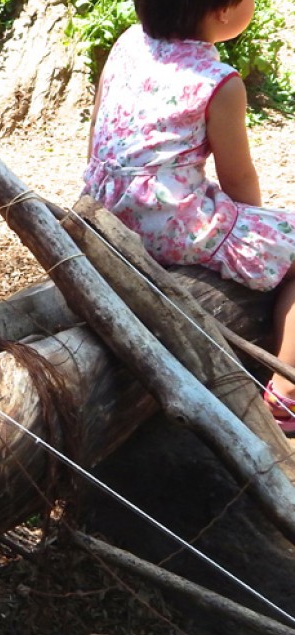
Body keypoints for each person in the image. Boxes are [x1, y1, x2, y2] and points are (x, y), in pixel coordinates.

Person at [81, 0, 295, 434]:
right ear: (223, 12)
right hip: (166, 222)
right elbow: (237, 178)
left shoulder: (128, 43)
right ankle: (286, 394)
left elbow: (96, 135)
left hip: (102, 210)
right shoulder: (219, 82)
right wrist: (253, 234)